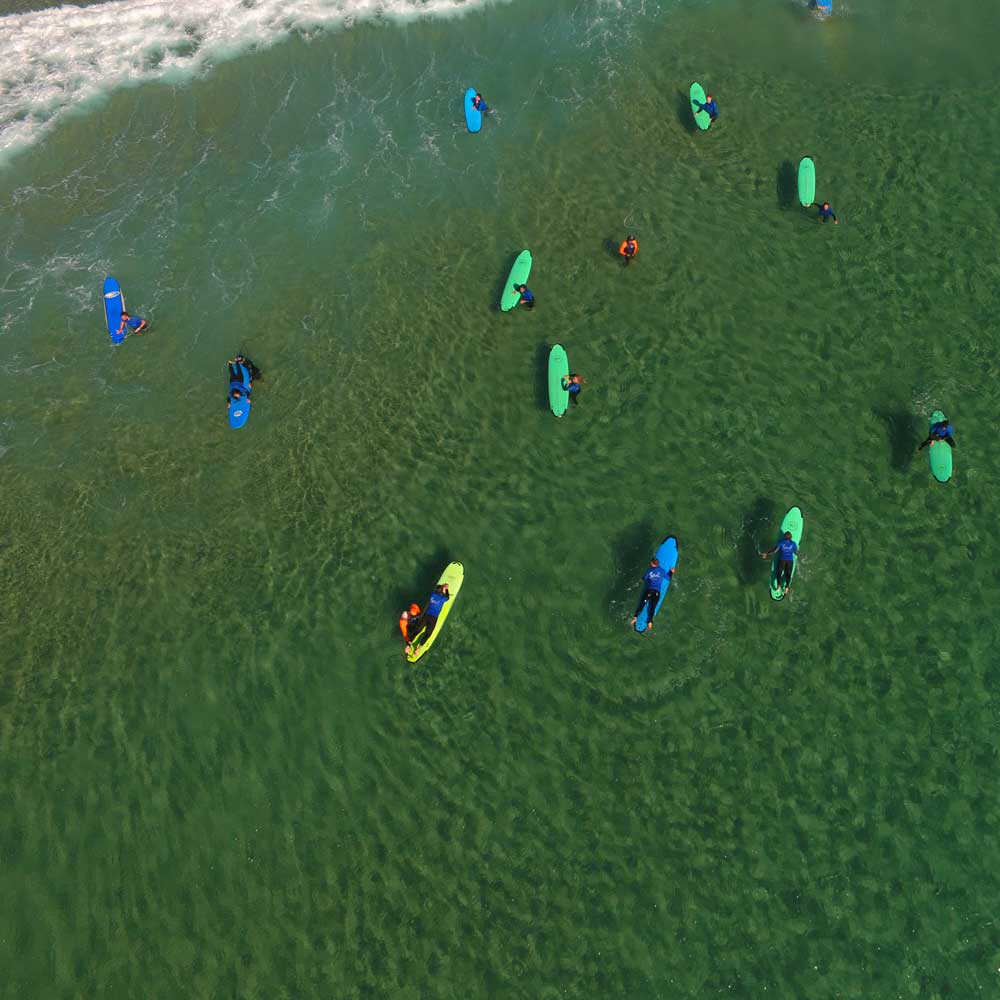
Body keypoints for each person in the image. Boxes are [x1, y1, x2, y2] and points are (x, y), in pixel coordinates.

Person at [630, 557, 674, 632]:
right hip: (657, 592)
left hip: (649, 591)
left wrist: (637, 582)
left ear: (652, 564)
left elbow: (644, 579)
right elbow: (668, 578)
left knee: (642, 603)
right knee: (652, 606)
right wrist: (671, 572)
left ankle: (635, 617)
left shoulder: (649, 571)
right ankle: (650, 622)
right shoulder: (662, 571)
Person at [406, 584, 450, 654]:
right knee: (428, 634)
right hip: (433, 618)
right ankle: (418, 648)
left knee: (417, 630)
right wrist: (447, 589)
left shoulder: (432, 595)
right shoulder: (442, 598)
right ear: (442, 591)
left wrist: (442, 589)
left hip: (426, 616)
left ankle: (408, 646)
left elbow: (437, 592)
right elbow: (448, 597)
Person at [761, 531, 798, 596]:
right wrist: (802, 556)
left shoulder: (781, 543)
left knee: (778, 573)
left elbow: (774, 551)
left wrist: (767, 554)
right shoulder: (793, 544)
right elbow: (796, 552)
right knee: (788, 574)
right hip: (790, 561)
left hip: (782, 560)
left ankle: (778, 586)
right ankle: (786, 587)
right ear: (791, 537)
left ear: (784, 537)